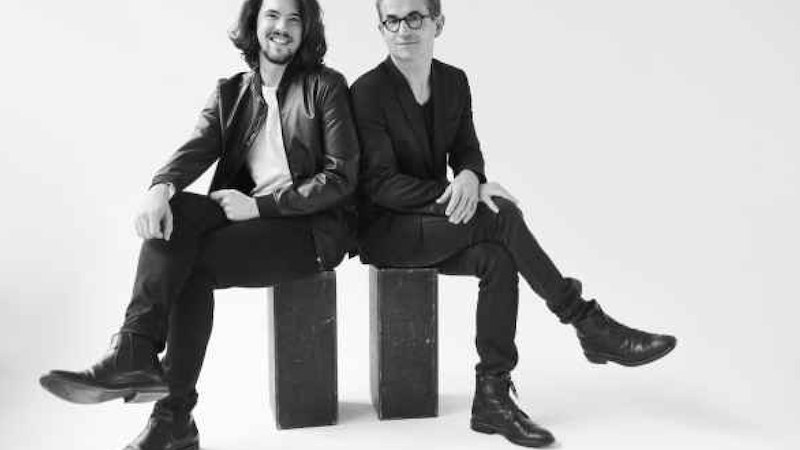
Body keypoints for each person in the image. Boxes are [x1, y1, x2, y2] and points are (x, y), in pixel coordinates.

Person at [350, 0, 676, 447]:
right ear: (381, 28)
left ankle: (492, 396)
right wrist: (460, 194)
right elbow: (380, 184)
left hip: (438, 223)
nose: (403, 29)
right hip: (389, 231)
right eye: (391, 20)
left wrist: (469, 175)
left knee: (499, 258)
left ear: (438, 23)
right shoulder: (368, 91)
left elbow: (467, 148)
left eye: (415, 18)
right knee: (502, 219)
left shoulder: (454, 81)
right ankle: (586, 322)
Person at [39, 0, 359, 448]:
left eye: (294, 19)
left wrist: (262, 206)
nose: (282, 28)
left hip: (310, 230)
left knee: (186, 264)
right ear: (254, 22)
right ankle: (138, 352)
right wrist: (159, 188)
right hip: (245, 217)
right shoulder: (231, 93)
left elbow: (341, 178)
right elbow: (194, 148)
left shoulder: (325, 87)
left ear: (306, 31)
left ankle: (170, 414)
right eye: (272, 15)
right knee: (178, 214)